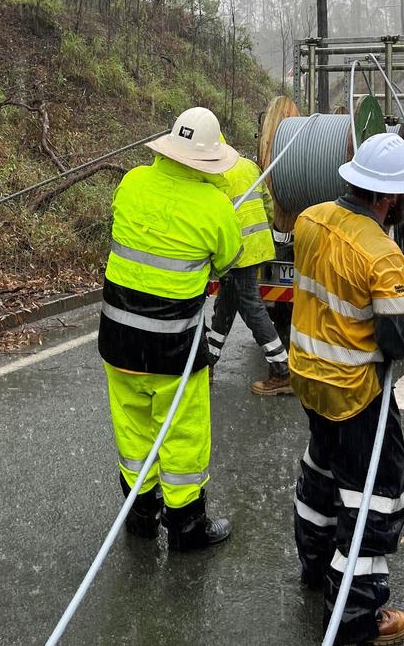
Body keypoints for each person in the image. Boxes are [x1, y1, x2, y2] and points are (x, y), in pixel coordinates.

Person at [289, 133, 404, 645]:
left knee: (320, 474)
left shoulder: (309, 219)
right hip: (356, 394)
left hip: (309, 380)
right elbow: (399, 339)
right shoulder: (382, 255)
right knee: (376, 497)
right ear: (389, 198)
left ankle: (315, 565)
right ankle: (354, 618)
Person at [98, 107, 243, 551]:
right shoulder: (215, 206)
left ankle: (140, 514)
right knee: (181, 434)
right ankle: (186, 526)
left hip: (118, 337)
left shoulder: (132, 183)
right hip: (173, 347)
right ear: (206, 160)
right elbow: (230, 258)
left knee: (133, 428)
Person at [206, 150, 291, 395]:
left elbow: (213, 218)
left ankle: (282, 370)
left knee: (252, 309)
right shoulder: (248, 166)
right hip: (257, 246)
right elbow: (267, 204)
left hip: (236, 251)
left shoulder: (213, 173)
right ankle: (208, 364)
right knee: (225, 305)